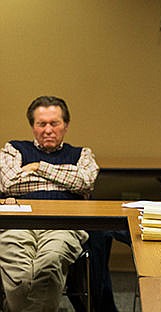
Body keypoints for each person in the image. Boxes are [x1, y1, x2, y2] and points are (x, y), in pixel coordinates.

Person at [0, 96, 99, 311]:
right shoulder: (13, 149)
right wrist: (65, 180)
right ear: (32, 127)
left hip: (64, 225)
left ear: (65, 125)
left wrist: (37, 167)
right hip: (18, 223)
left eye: (54, 123)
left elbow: (84, 181)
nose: (48, 130)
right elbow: (9, 183)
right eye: (41, 124)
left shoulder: (82, 154)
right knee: (19, 273)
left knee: (49, 265)